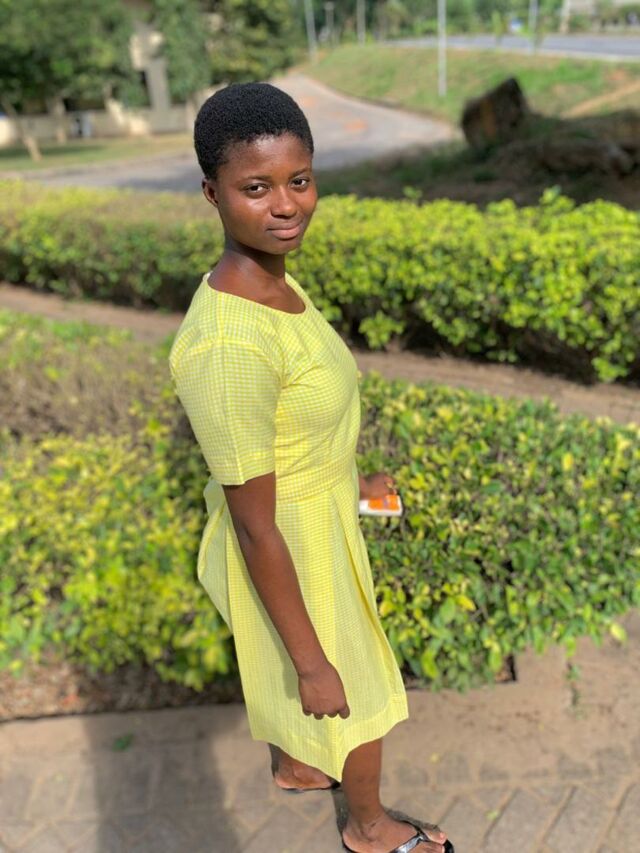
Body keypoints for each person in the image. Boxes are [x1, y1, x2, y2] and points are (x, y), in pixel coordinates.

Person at [168, 81, 454, 853]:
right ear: (212, 193)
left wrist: (349, 482)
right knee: (348, 689)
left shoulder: (274, 281)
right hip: (289, 545)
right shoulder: (228, 342)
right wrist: (311, 662)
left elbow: (290, 429)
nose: (287, 205)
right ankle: (369, 827)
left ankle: (298, 765)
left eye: (299, 179)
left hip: (311, 515)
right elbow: (255, 525)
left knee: (318, 683)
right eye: (256, 188)